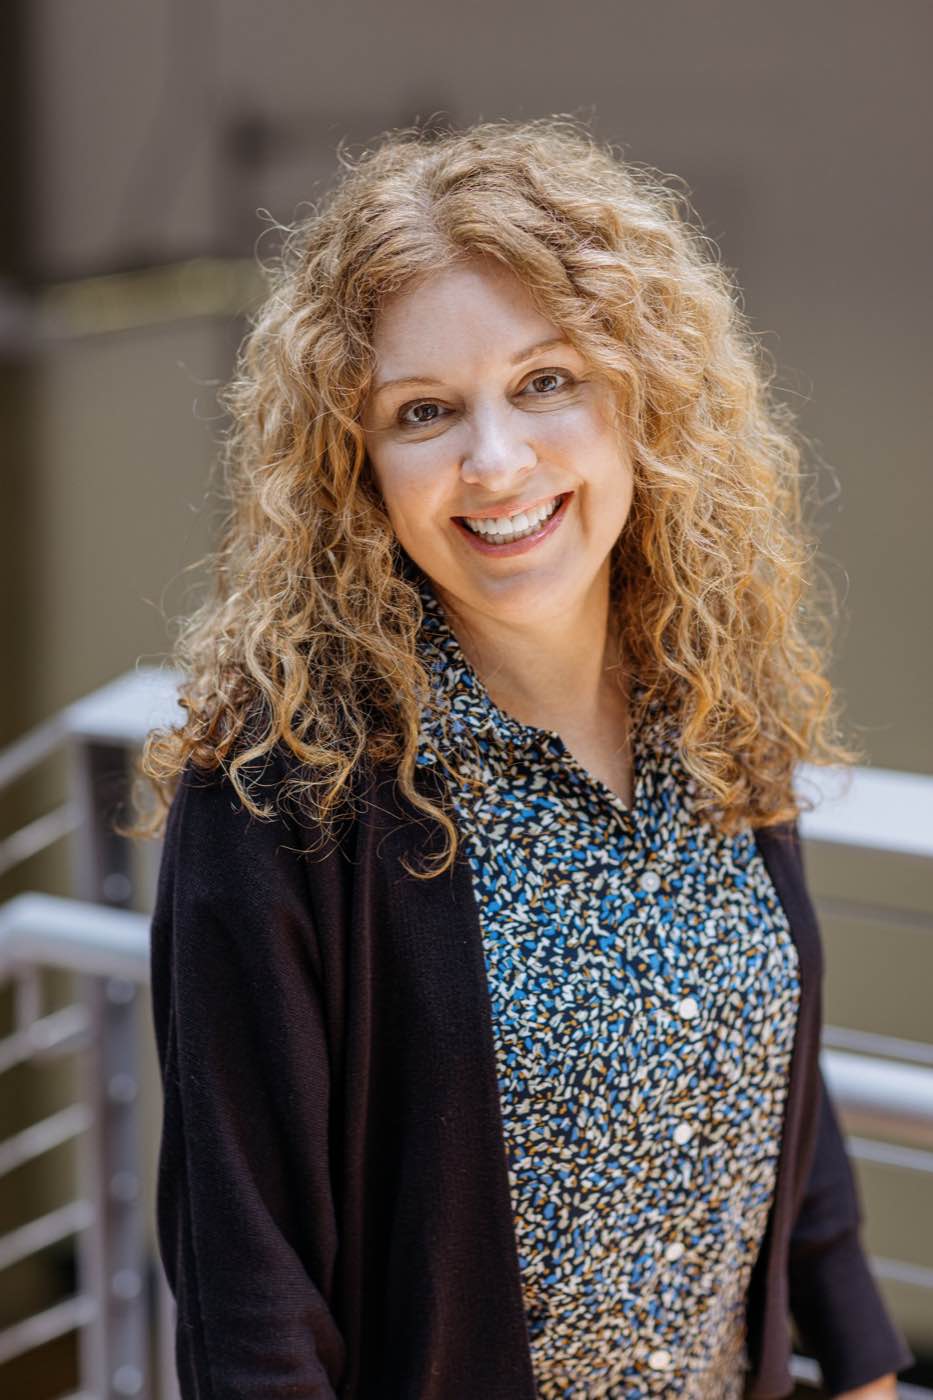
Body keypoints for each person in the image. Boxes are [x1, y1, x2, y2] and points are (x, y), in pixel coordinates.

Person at [137, 116, 915, 1398]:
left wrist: (867, 1365)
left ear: (642, 398)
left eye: (547, 379)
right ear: (356, 468)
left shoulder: (709, 700)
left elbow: (770, 1065)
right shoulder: (283, 795)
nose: (495, 462)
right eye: (424, 411)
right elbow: (252, 1302)